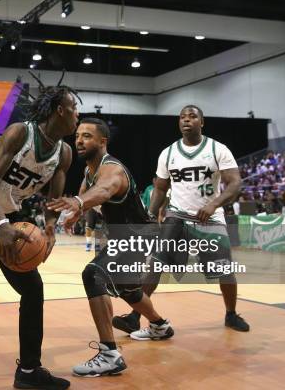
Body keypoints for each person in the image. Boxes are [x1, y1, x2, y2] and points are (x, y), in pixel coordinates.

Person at [0, 76, 78, 389]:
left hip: (12, 219)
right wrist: (1, 225)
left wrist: (49, 228)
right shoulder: (21, 133)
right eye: (74, 109)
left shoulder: (64, 154)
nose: (77, 116)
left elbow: (52, 202)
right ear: (60, 110)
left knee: (33, 291)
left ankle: (29, 371)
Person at [48, 118, 171, 378]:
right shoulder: (89, 170)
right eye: (78, 136)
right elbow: (88, 188)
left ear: (102, 142)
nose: (79, 141)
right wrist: (77, 213)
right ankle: (160, 325)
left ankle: (109, 355)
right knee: (128, 290)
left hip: (138, 234)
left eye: (87, 136)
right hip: (126, 235)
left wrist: (79, 202)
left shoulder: (112, 170)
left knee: (93, 274)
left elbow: (103, 190)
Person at [113, 105, 249, 334]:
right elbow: (160, 188)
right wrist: (149, 217)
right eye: (183, 117)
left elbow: (235, 183)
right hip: (177, 215)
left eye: (192, 116)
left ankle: (231, 314)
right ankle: (135, 317)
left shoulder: (217, 149)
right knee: (154, 264)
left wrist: (213, 204)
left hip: (210, 217)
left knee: (224, 269)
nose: (187, 120)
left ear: (202, 122)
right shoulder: (168, 153)